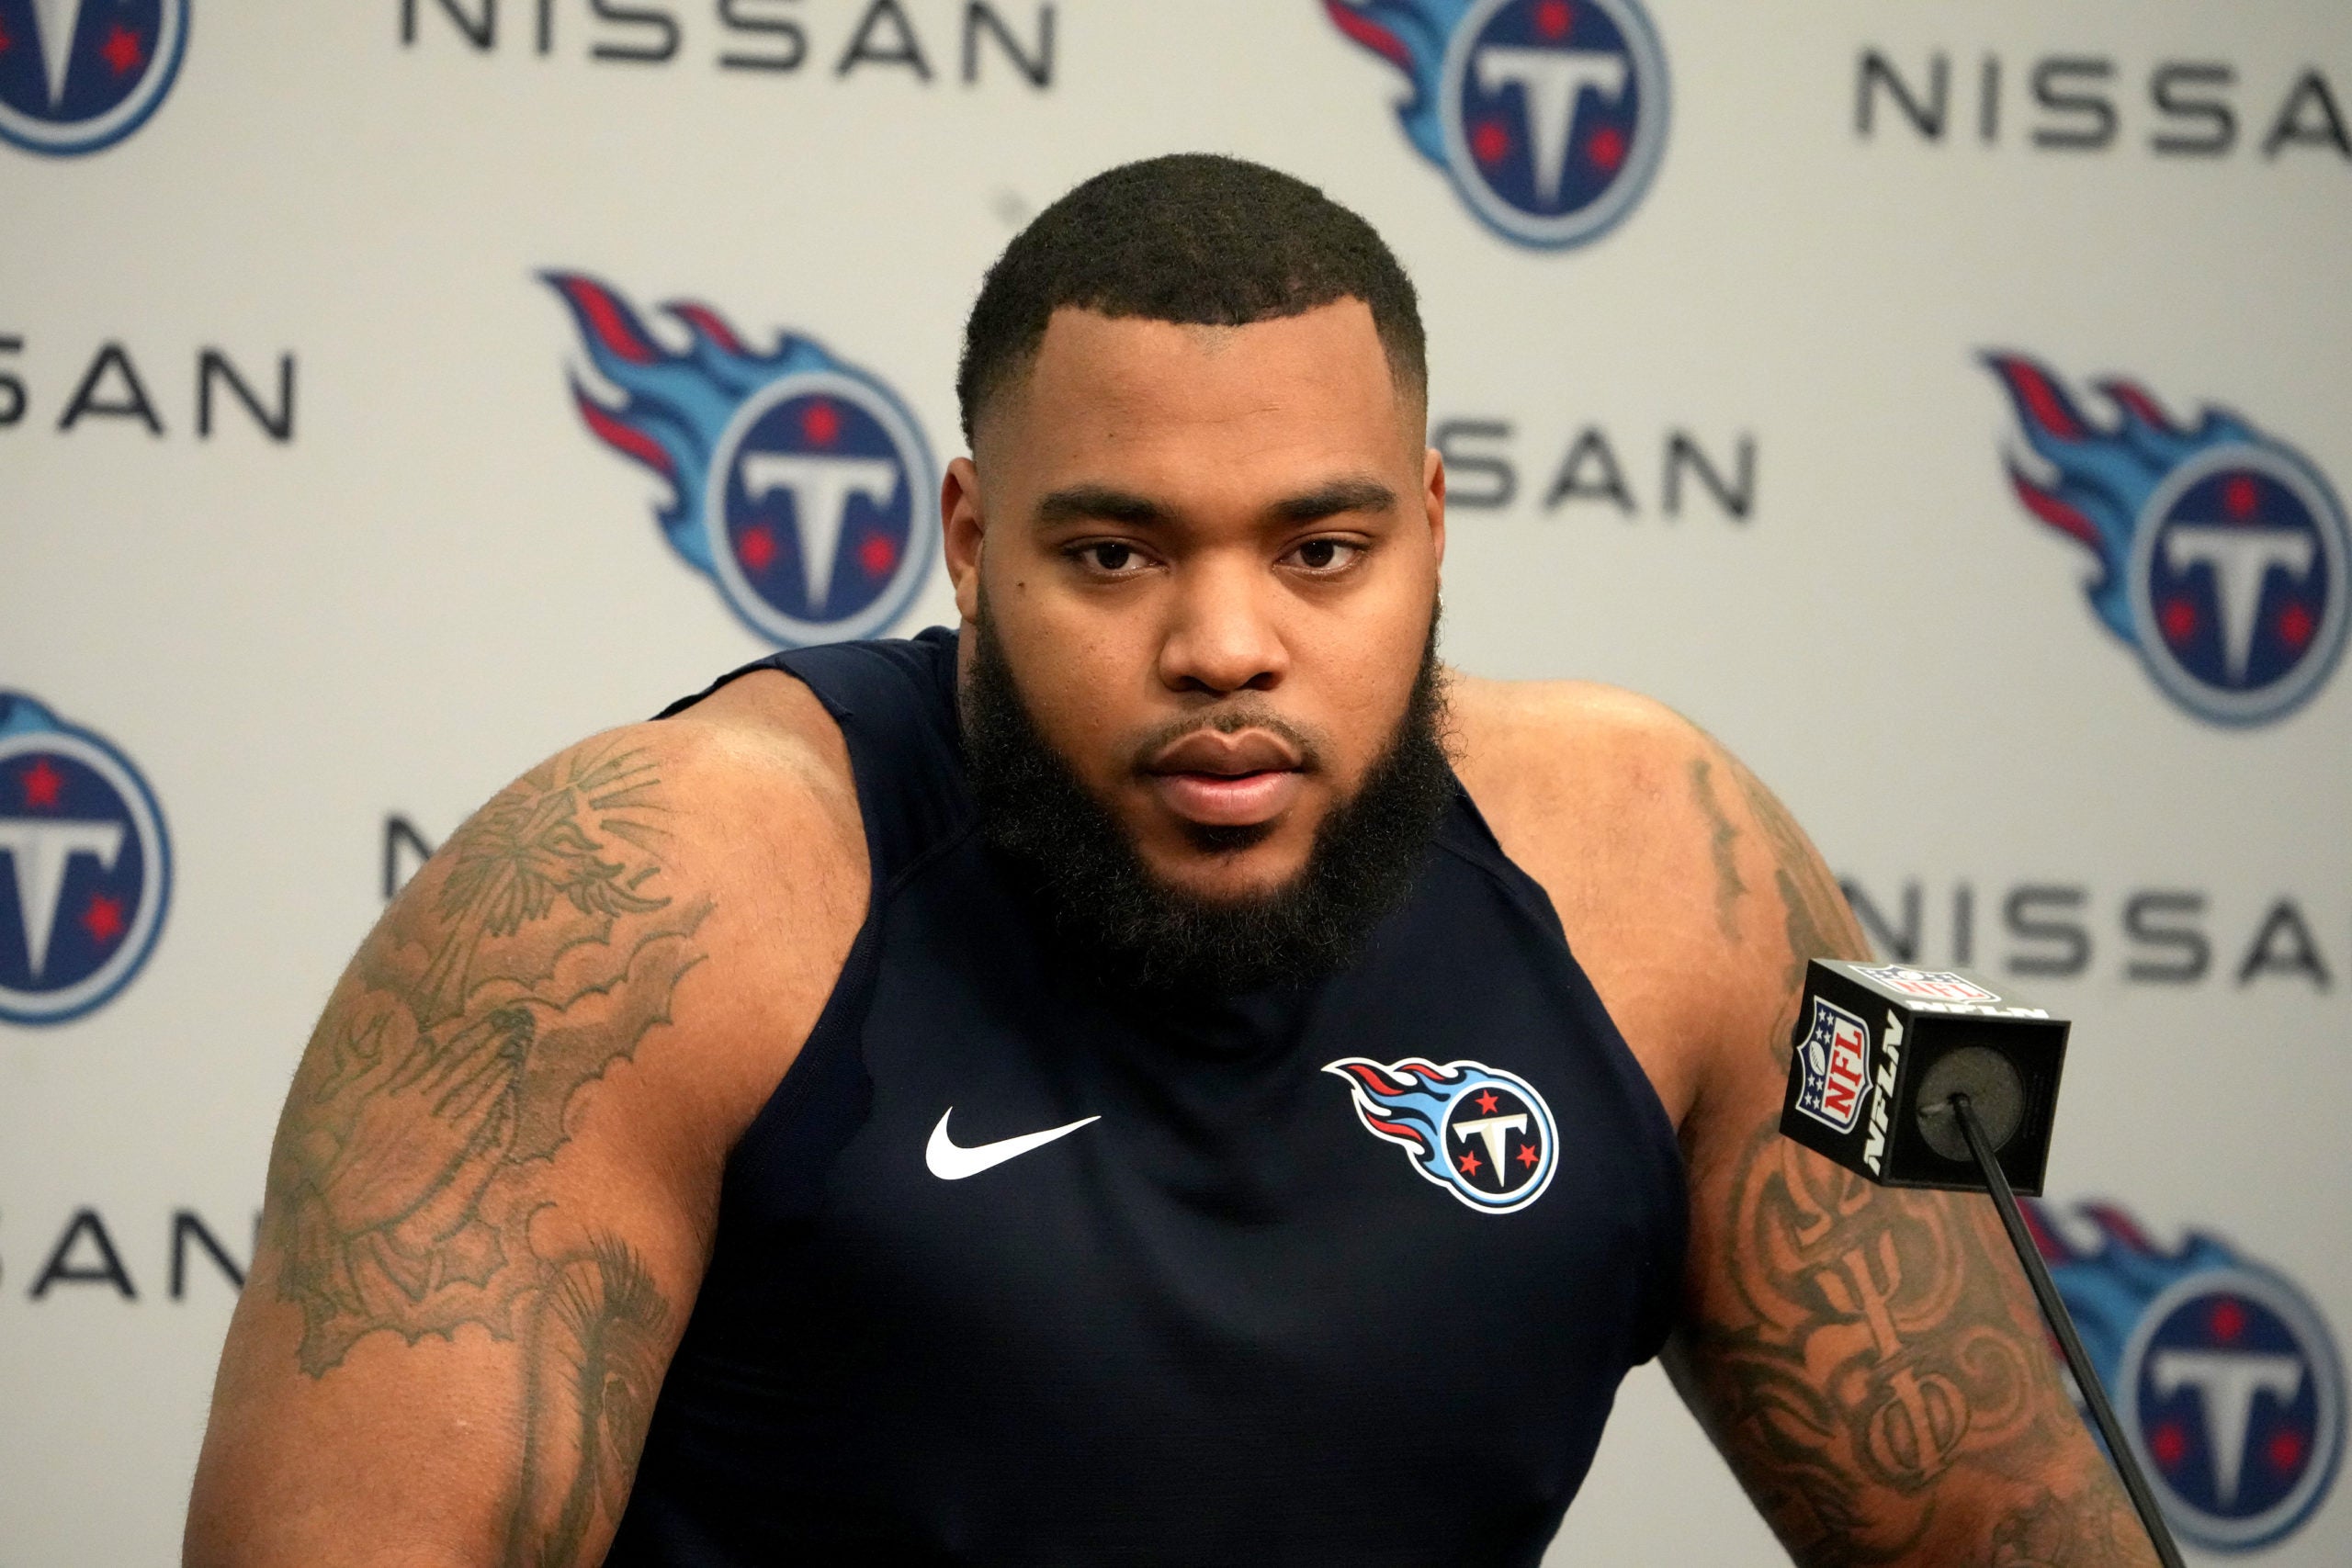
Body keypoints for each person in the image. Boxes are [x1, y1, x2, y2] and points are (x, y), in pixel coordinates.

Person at [185, 154, 2152, 1568]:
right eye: (1113, 552)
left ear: (1436, 528)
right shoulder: (639, 900)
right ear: (968, 538)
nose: (1222, 645)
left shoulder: (1682, 872)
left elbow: (2010, 1514)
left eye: (1319, 549)